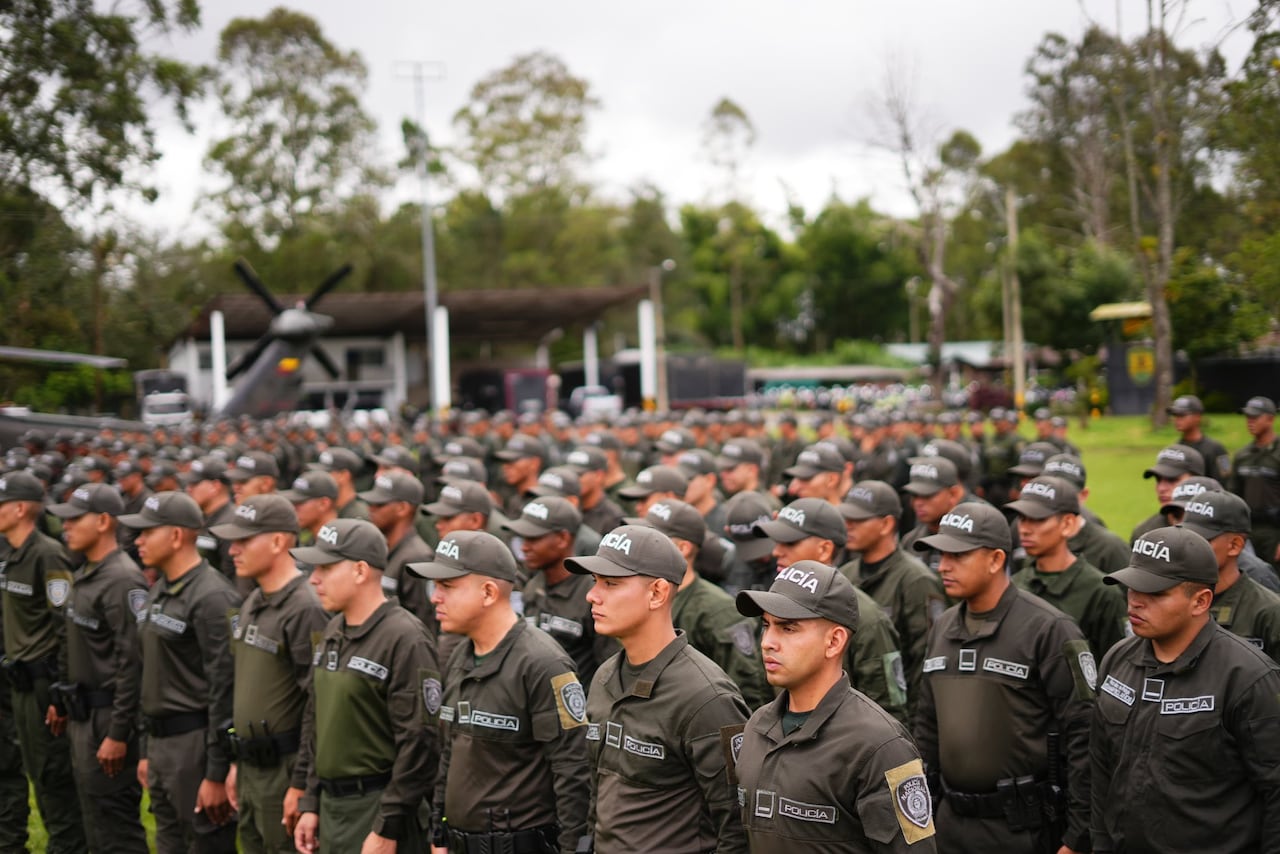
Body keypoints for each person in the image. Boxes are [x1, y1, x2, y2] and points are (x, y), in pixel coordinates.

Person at [912, 502, 1093, 854]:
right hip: (950, 824)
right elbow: (927, 728)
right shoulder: (944, 627)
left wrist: (1077, 836)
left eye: (957, 556)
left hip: (1023, 829)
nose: (943, 566)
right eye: (939, 555)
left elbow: (1084, 735)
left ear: (996, 560)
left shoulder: (1049, 629)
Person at [1091, 526, 1280, 853]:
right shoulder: (1116, 659)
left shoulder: (1248, 677)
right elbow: (1100, 768)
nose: (1135, 602)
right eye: (1132, 588)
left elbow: (1276, 791)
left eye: (1155, 593)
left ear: (1200, 601)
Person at [567, 525, 749, 853]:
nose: (592, 595)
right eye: (595, 582)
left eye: (610, 583)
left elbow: (737, 826)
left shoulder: (707, 698)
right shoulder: (605, 676)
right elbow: (600, 793)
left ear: (657, 593)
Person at [732, 560, 936, 852]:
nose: (767, 642)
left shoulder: (879, 745)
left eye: (788, 628)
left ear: (834, 641)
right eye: (766, 625)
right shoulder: (756, 728)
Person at [408, 530, 590, 854]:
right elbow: (450, 753)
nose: (435, 597)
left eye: (447, 586)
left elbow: (573, 773)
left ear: (489, 592)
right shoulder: (461, 657)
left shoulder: (543, 664)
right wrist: (438, 834)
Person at [292, 518, 440, 854]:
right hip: (333, 808)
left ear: (360, 570)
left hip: (377, 809)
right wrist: (311, 801)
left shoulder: (406, 638)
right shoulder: (333, 630)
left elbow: (419, 742)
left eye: (326, 569)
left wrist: (388, 825)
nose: (313, 579)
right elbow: (318, 722)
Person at [210, 495, 328, 854]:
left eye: (244, 540)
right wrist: (236, 763)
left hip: (284, 769)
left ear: (278, 542)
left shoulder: (305, 608)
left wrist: (302, 786)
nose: (232, 550)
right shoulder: (253, 601)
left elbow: (319, 705)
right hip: (250, 766)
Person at [126, 490, 242, 853]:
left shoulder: (212, 597)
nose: (138, 540)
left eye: (148, 532)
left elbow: (225, 690)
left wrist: (215, 772)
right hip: (162, 745)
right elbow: (151, 674)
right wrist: (146, 748)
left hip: (194, 745)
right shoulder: (161, 588)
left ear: (176, 536)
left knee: (204, 842)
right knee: (169, 842)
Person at [48, 482, 147, 851]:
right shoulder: (87, 572)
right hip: (82, 714)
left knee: (116, 829)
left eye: (75, 519)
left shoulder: (122, 579)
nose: (66, 527)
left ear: (104, 521)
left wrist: (118, 733)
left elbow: (132, 663)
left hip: (106, 718)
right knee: (95, 825)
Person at [757, 497, 910, 723]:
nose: (777, 551)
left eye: (789, 543)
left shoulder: (865, 617)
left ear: (824, 548)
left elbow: (890, 711)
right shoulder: (774, 602)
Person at [0, 470, 86, 852]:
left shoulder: (47, 554)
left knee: (55, 783)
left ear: (20, 509)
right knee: (37, 775)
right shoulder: (10, 553)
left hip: (42, 685)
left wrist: (59, 690)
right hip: (18, 682)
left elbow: (66, 627)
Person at [630, 498, 773, 708]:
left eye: (653, 539)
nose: (639, 545)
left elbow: (752, 692)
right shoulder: (637, 599)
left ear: (683, 548)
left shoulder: (719, 612)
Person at [837, 481, 946, 720]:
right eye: (846, 519)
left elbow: (925, 661)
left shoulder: (916, 580)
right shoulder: (845, 574)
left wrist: (915, 729)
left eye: (858, 520)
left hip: (898, 713)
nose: (848, 526)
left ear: (886, 524)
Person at [1006, 476, 1128, 659]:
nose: (1024, 529)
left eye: (1037, 519)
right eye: (1022, 519)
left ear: (1068, 524)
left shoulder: (1101, 594)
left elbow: (1117, 665)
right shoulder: (1014, 585)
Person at [504, 496, 615, 683]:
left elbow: (610, 665)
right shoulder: (533, 585)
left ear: (563, 538)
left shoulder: (593, 593)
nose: (524, 547)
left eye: (533, 538)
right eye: (523, 538)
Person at [1179, 489, 1280, 661]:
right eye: (1185, 537)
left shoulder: (1269, 612)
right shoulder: (1171, 597)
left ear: (1235, 545)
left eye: (1203, 540)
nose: (1189, 547)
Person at [360, 470, 435, 627]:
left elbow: (423, 625)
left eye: (380, 504)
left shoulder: (417, 558)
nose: (371, 508)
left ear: (402, 508)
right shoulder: (381, 549)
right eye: (371, 503)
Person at [1229, 395, 1280, 564]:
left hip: (1274, 530)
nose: (1250, 421)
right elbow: (1234, 496)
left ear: (1270, 419)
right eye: (1247, 417)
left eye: (1255, 417)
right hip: (1248, 531)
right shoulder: (1242, 455)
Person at [1131, 444, 1205, 543]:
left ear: (1198, 481)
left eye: (1172, 480)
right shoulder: (1144, 532)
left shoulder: (1219, 534)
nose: (1161, 488)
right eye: (1158, 479)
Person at [1168, 394, 1231, 481]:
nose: (1177, 419)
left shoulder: (1217, 449)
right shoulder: (1175, 450)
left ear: (1197, 417)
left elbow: (1227, 479)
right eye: (1175, 415)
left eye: (1182, 415)